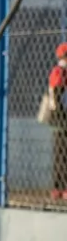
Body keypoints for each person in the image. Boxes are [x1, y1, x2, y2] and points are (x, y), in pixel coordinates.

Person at [46, 43, 67, 201]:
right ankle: (61, 187)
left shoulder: (57, 71)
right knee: (62, 152)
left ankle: (58, 187)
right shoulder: (61, 72)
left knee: (59, 152)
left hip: (58, 117)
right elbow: (56, 96)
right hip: (62, 116)